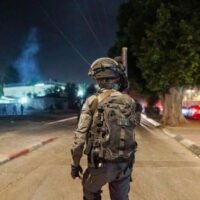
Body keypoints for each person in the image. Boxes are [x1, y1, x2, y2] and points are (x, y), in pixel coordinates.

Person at [71, 57, 137, 200]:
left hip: (100, 163)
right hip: (125, 164)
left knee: (90, 191)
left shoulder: (92, 101)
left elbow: (80, 139)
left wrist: (75, 165)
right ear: (116, 78)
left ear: (97, 78)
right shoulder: (129, 101)